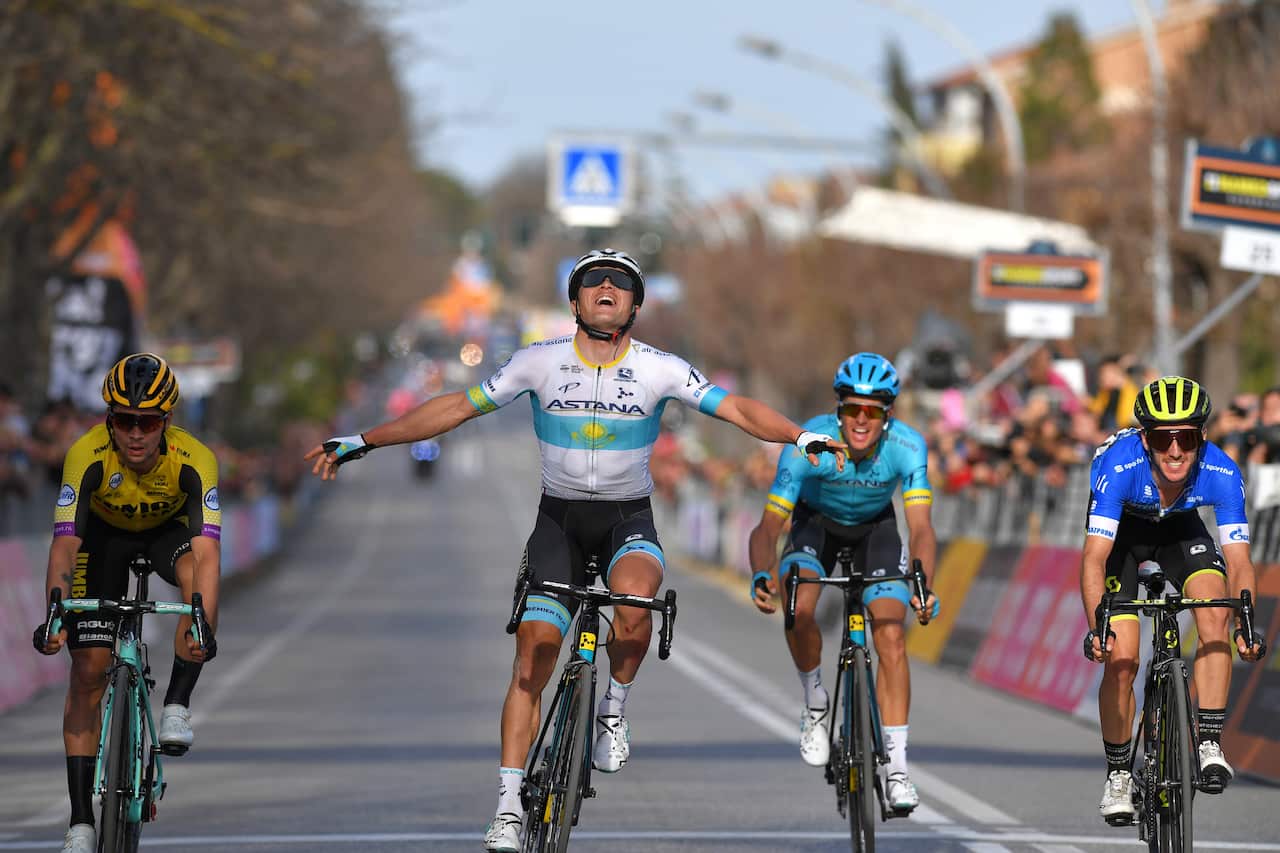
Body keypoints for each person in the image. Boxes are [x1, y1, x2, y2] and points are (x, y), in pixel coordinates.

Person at [304, 248, 844, 852]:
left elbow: (736, 408)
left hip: (626, 520)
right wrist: (365, 440)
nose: (606, 286)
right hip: (557, 523)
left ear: (635, 305)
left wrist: (800, 435)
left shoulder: (660, 368)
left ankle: (612, 709)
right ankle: (509, 806)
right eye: (594, 280)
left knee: (635, 604)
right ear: (575, 300)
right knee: (533, 655)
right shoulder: (538, 361)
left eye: (620, 282)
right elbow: (457, 407)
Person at [32, 353, 221, 853]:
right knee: (88, 672)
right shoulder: (86, 452)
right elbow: (65, 544)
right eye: (124, 421)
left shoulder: (196, 459)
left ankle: (177, 704)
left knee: (197, 584)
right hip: (104, 541)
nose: (135, 434)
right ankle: (80, 822)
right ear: (109, 419)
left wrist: (202, 620)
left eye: (148, 422)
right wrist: (54, 611)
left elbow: (207, 553)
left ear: (167, 422)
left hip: (167, 536)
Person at [748, 352, 938, 813]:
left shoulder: (908, 446)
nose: (861, 420)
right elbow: (770, 526)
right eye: (852, 408)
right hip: (815, 526)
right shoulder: (809, 443)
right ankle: (815, 702)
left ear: (887, 415)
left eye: (872, 411)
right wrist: (761, 570)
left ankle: (897, 770)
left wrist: (923, 583)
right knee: (798, 605)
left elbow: (921, 527)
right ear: (839, 409)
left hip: (876, 531)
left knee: (890, 634)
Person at [1080, 376, 1267, 824]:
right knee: (1122, 657)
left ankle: (1209, 741)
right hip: (1125, 538)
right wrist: (1097, 629)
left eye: (1187, 437)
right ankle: (1119, 773)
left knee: (1214, 614)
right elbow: (1094, 559)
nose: (1177, 450)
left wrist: (1244, 623)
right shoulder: (1119, 467)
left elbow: (1240, 561)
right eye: (1165, 439)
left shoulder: (1221, 471)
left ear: (1202, 435)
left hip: (1182, 533)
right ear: (1146, 440)